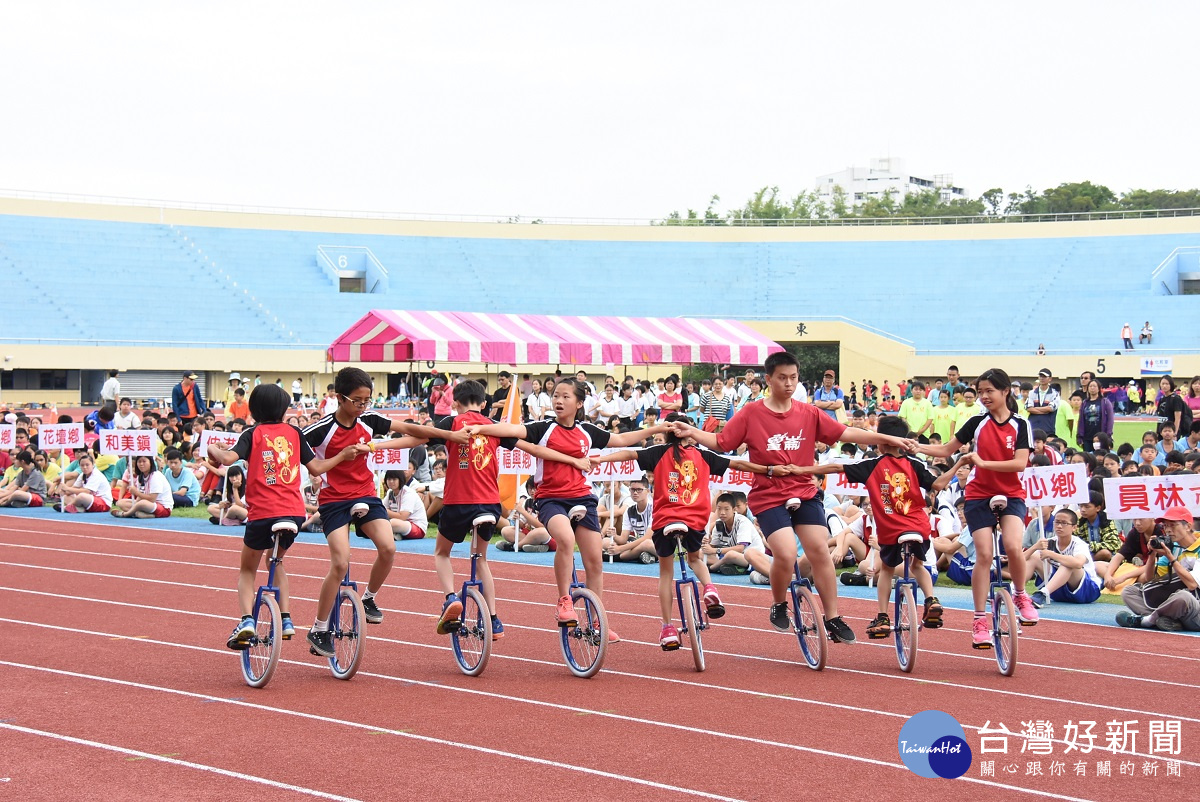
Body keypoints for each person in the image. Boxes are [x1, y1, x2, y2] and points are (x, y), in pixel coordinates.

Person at [672, 351, 918, 643]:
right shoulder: (751, 413)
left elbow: (846, 433)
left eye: (794, 378)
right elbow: (721, 442)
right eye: (782, 378)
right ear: (768, 379)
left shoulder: (809, 412)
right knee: (786, 553)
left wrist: (887, 438)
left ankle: (833, 617)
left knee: (818, 551)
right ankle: (778, 602)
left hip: (805, 491)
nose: (788, 384)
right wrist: (693, 432)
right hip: (768, 495)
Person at [465, 378, 670, 641]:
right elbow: (512, 429)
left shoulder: (587, 430)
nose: (559, 401)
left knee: (595, 560)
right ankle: (564, 600)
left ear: (580, 403)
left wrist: (654, 428)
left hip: (583, 499)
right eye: (555, 396)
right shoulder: (543, 428)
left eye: (565, 397)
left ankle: (596, 623)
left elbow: (620, 438)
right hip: (551, 500)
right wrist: (482, 425)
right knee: (565, 538)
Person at [593, 412, 775, 649]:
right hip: (694, 520)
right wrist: (767, 469)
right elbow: (737, 463)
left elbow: (628, 452)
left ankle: (668, 627)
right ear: (691, 433)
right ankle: (709, 589)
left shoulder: (658, 452)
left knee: (666, 573)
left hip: (665, 520)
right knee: (695, 558)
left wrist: (600, 459)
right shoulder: (703, 454)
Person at [208, 383, 361, 650]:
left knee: (247, 569)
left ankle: (246, 621)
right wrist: (342, 456)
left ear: (254, 409)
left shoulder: (252, 433)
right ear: (283, 408)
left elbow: (228, 457)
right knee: (276, 561)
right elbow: (317, 467)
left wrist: (213, 450)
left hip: (263, 513)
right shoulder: (294, 432)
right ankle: (287, 618)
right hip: (294, 513)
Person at [301, 367, 430, 657]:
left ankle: (369, 598)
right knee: (340, 563)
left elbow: (413, 433)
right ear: (339, 397)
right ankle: (319, 628)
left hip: (365, 496)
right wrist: (332, 461)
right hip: (334, 501)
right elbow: (292, 445)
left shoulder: (371, 421)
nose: (362, 407)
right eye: (357, 401)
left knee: (388, 548)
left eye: (367, 400)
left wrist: (438, 433)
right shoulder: (320, 429)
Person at [917, 367, 1040, 647]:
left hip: (1011, 493)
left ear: (1005, 391)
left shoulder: (1021, 424)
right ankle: (979, 619)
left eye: (989, 391)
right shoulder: (976, 422)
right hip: (979, 494)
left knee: (1012, 544)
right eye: (981, 391)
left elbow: (1020, 463)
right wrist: (918, 447)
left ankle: (1021, 594)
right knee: (983, 554)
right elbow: (947, 450)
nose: (984, 397)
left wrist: (983, 463)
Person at [1117, 506, 1200, 631]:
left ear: (1188, 526)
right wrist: (1152, 554)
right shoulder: (1174, 547)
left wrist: (1171, 558)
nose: (1168, 530)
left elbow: (1192, 584)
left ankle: (1148, 620)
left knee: (1183, 597)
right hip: (1177, 607)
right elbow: (1149, 578)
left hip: (1195, 610)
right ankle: (1169, 621)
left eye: (1173, 525)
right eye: (1165, 526)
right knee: (1129, 592)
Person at [1026, 508, 1102, 606]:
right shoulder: (1049, 542)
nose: (1059, 526)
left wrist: (1051, 554)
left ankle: (1042, 594)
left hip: (1087, 591)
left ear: (1074, 527)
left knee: (1069, 563)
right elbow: (1021, 560)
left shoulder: (1079, 544)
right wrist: (1034, 547)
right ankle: (1016, 591)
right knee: (1034, 557)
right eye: (1057, 522)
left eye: (1064, 523)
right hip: (1058, 590)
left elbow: (1078, 563)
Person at [1077, 379, 1113, 453]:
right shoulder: (1084, 403)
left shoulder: (1105, 402)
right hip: (1087, 436)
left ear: (1099, 388)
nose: (1092, 388)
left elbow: (1110, 419)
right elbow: (1081, 420)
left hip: (1100, 436)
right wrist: (1079, 436)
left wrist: (1108, 434)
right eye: (1090, 386)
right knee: (1088, 456)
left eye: (1094, 386)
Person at [1025, 369, 1059, 435]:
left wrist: (1035, 408)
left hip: (1048, 428)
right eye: (1040, 376)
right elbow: (1028, 408)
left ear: (1050, 379)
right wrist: (1044, 411)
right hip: (1033, 427)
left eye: (1044, 377)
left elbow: (1050, 408)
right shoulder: (1032, 393)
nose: (1042, 378)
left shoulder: (1054, 393)